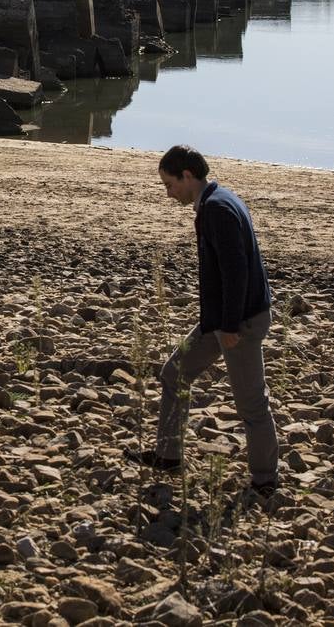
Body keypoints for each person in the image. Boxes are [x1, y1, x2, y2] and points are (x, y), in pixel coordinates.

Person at [125, 145, 279, 498]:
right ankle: (168, 455)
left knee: (252, 404)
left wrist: (228, 326)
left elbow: (236, 270)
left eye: (169, 184)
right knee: (174, 372)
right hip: (222, 319)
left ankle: (265, 481)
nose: (168, 193)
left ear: (188, 176)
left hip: (239, 322)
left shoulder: (218, 209)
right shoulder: (219, 200)